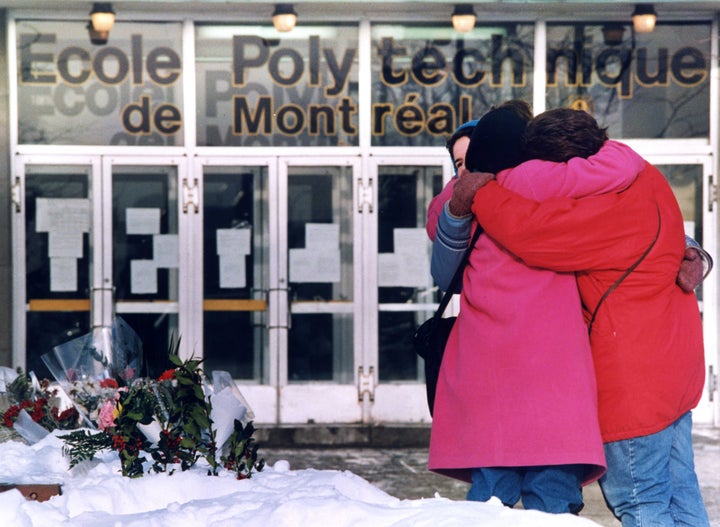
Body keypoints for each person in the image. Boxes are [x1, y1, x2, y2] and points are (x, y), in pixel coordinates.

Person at [463, 108, 711, 526]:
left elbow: (534, 233)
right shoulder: (645, 176)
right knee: (680, 493)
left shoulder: (601, 208)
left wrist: (480, 194)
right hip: (675, 370)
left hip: (635, 385)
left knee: (641, 501)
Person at [425, 102, 650, 514]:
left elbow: (440, 238)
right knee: (553, 504)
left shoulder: (463, 198)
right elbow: (622, 168)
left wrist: (465, 187)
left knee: (489, 504)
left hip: (485, 382)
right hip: (556, 388)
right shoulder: (550, 182)